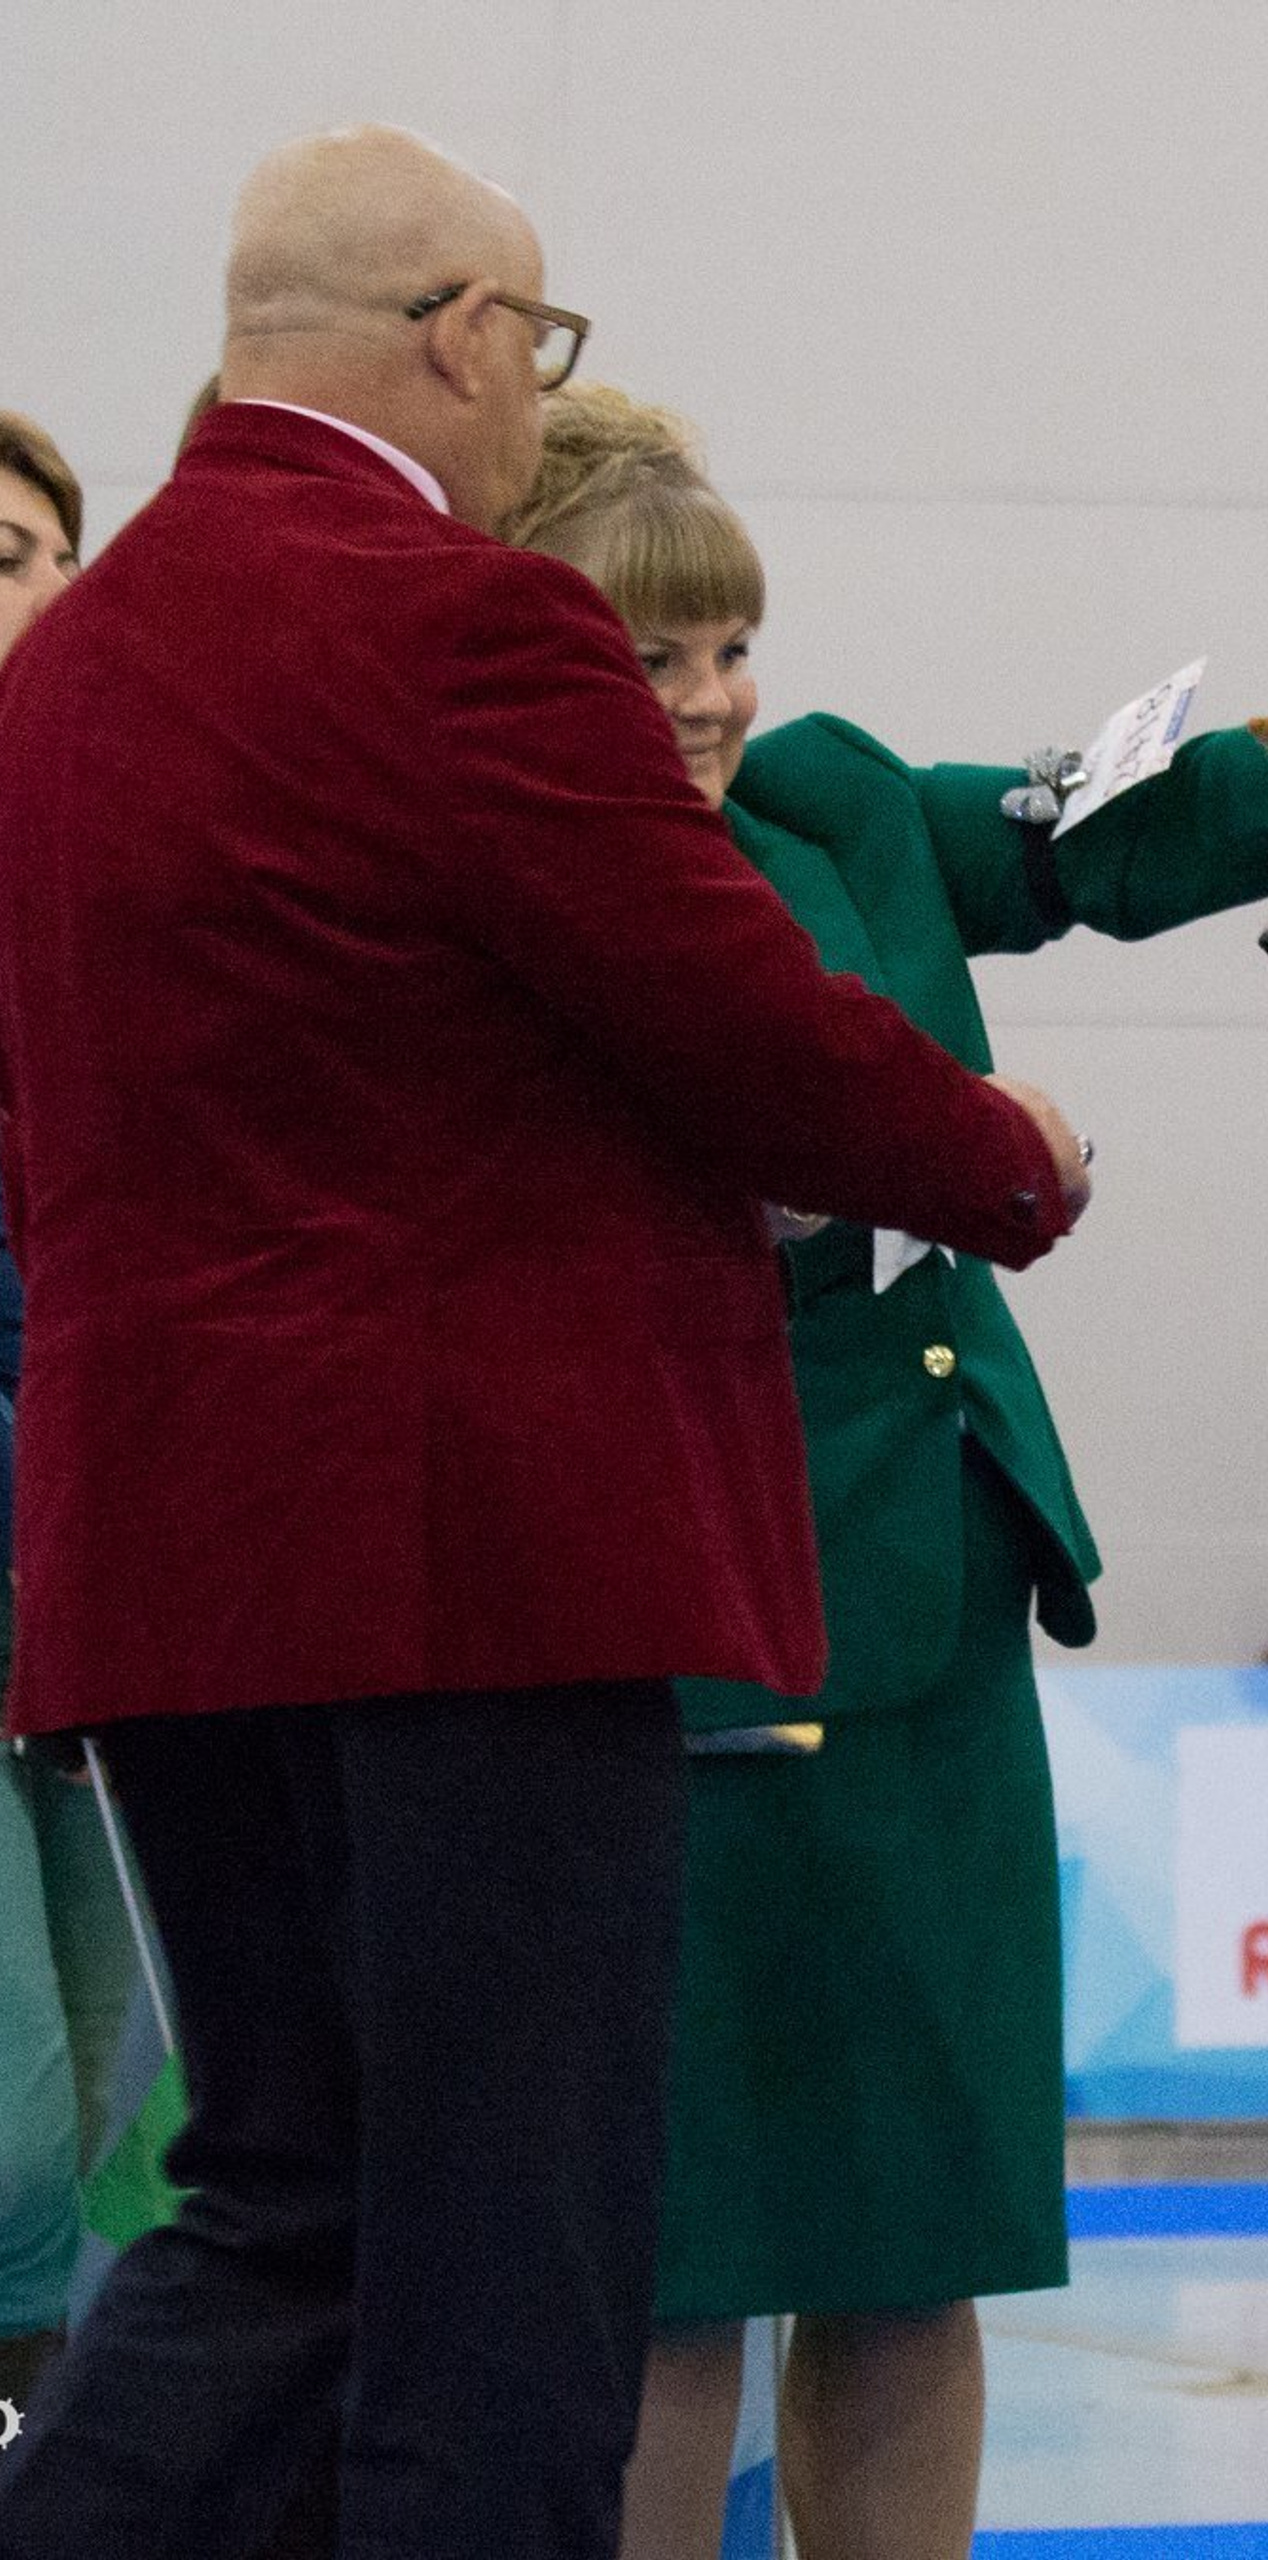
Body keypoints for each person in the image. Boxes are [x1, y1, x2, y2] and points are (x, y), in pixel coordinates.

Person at [0, 126, 1092, 2560]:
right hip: (478, 1562)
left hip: (170, 1560)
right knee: (513, 2258)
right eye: (535, 347)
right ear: (462, 339)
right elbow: (723, 1016)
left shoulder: (62, 677)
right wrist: (1000, 1155)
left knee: (285, 2198)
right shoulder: (467, 627)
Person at [502, 384, 1268, 2560]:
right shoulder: (487, 868)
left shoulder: (828, 796)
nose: (712, 701)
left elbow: (1091, 829)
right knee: (668, 2263)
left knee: (915, 2237)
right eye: (652, 660)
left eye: (726, 645)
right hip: (665, 1601)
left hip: (929, 1570)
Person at [0, 411, 134, 2430]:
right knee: (16, 2133)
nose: (11, 581)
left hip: (97, 1565)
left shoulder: (114, 855)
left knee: (99, 2103)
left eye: (32, 549)